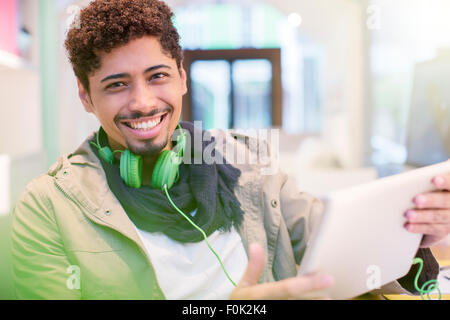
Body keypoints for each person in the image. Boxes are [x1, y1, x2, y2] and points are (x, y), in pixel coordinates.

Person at [10, 0, 449, 300]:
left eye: (158, 76)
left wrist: (408, 235)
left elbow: (327, 234)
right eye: (117, 85)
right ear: (87, 98)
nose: (143, 101)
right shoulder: (48, 208)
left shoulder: (244, 160)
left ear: (182, 78)